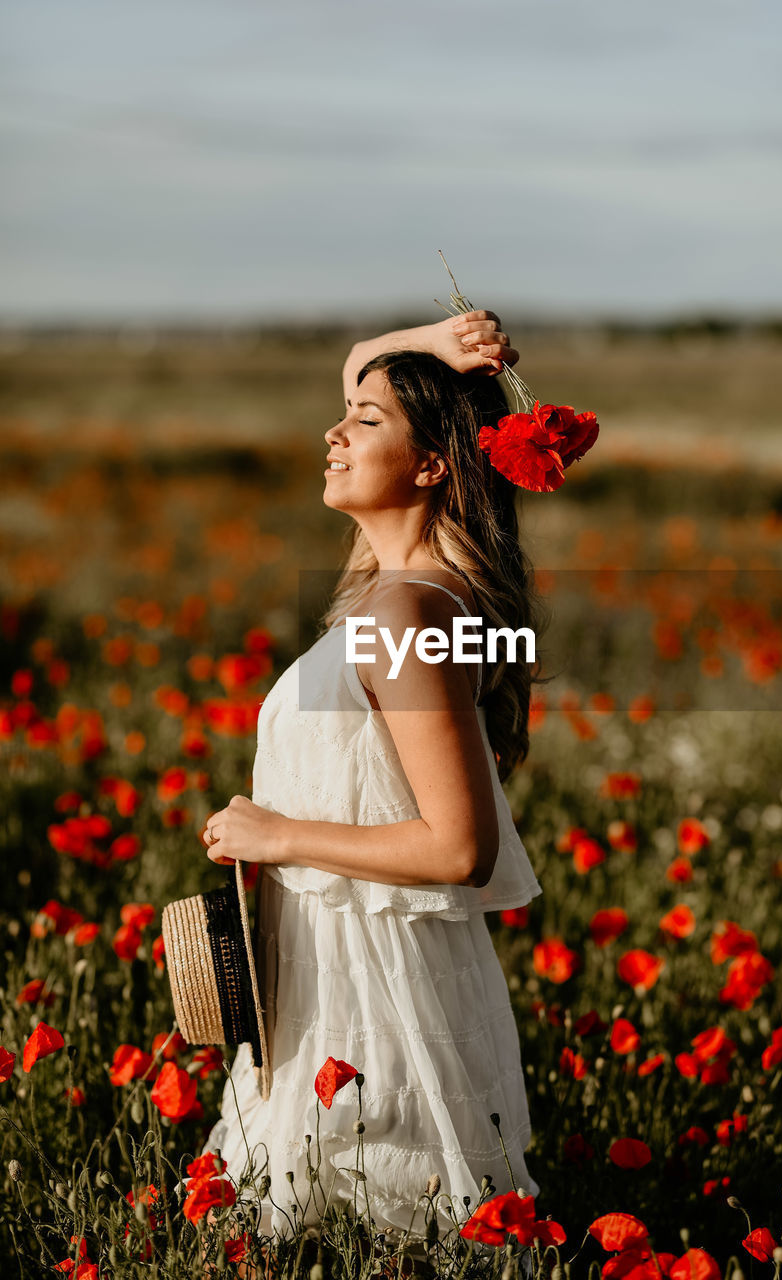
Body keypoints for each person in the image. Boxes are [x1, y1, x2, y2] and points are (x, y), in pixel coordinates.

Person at [198, 309, 546, 1263]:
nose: (333, 432)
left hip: (375, 992)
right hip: (339, 967)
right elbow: (366, 364)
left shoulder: (404, 609)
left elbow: (456, 848)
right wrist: (438, 339)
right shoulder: (408, 592)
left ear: (433, 464)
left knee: (377, 1227)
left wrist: (279, 836)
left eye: (364, 421)